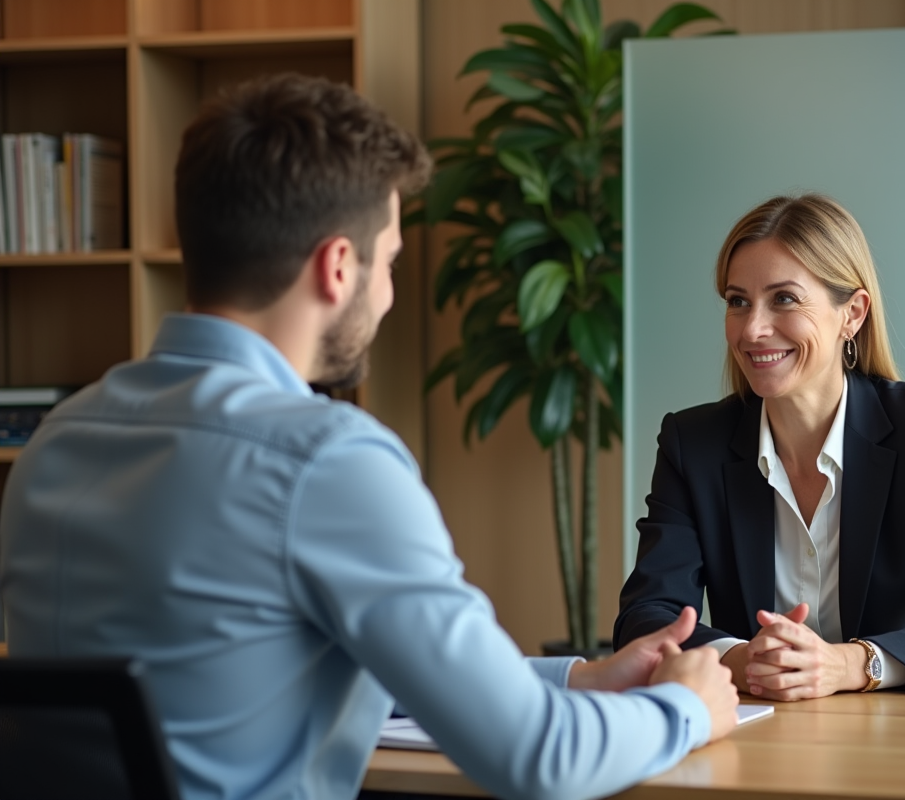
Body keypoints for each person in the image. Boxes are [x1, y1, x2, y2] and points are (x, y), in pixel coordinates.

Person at [0, 73, 738, 800]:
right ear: (337, 266)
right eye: (388, 262)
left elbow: (260, 678)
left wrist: (579, 676)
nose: (386, 294)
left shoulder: (55, 443)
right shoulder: (323, 461)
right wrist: (685, 709)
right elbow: (537, 756)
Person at [613, 194, 905, 699]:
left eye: (784, 299)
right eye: (738, 301)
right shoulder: (693, 445)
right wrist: (740, 659)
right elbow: (646, 616)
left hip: (896, 729)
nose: (752, 329)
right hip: (756, 725)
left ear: (852, 314)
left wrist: (849, 664)